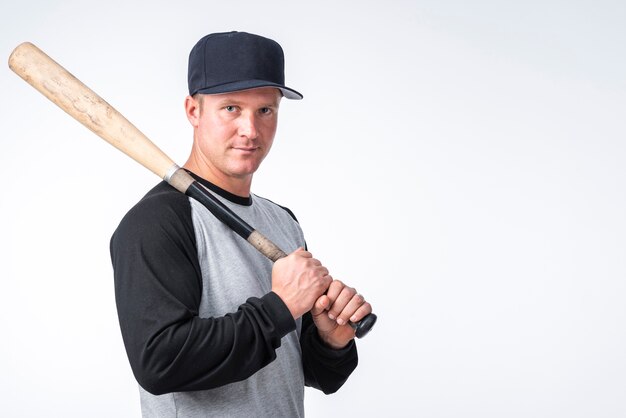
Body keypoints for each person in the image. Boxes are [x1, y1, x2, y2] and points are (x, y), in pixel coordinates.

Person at [110, 31, 372, 418]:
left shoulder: (282, 221)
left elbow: (306, 373)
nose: (250, 130)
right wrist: (280, 307)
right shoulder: (159, 221)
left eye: (265, 110)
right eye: (231, 108)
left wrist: (331, 343)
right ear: (193, 111)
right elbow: (160, 362)